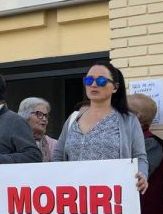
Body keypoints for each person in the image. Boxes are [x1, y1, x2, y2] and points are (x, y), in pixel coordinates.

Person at [52, 61, 148, 192]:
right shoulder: (73, 118)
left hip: (113, 196)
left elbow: (140, 157)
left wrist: (142, 176)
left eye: (101, 80)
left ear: (115, 87)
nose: (93, 84)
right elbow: (58, 155)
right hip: (74, 196)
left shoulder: (128, 120)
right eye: (89, 80)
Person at [18, 97, 57, 162]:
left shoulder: (54, 145)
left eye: (46, 116)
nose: (44, 119)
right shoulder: (13, 141)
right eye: (39, 114)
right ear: (25, 115)